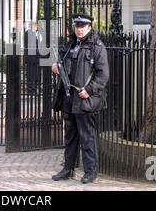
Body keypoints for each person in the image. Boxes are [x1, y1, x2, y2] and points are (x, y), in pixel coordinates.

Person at [51, 13, 109, 184]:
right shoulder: (70, 45)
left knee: (87, 137)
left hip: (86, 99)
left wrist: (89, 90)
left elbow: (103, 74)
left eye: (82, 27)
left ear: (89, 28)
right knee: (70, 136)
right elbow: (61, 63)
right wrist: (55, 66)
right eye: (77, 27)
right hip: (69, 98)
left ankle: (90, 172)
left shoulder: (97, 46)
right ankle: (68, 169)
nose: (79, 30)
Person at [23, 22, 41, 95]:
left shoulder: (31, 33)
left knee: (34, 75)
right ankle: (31, 90)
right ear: (34, 26)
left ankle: (33, 89)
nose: (37, 28)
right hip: (32, 58)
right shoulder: (30, 33)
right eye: (36, 27)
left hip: (34, 58)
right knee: (31, 75)